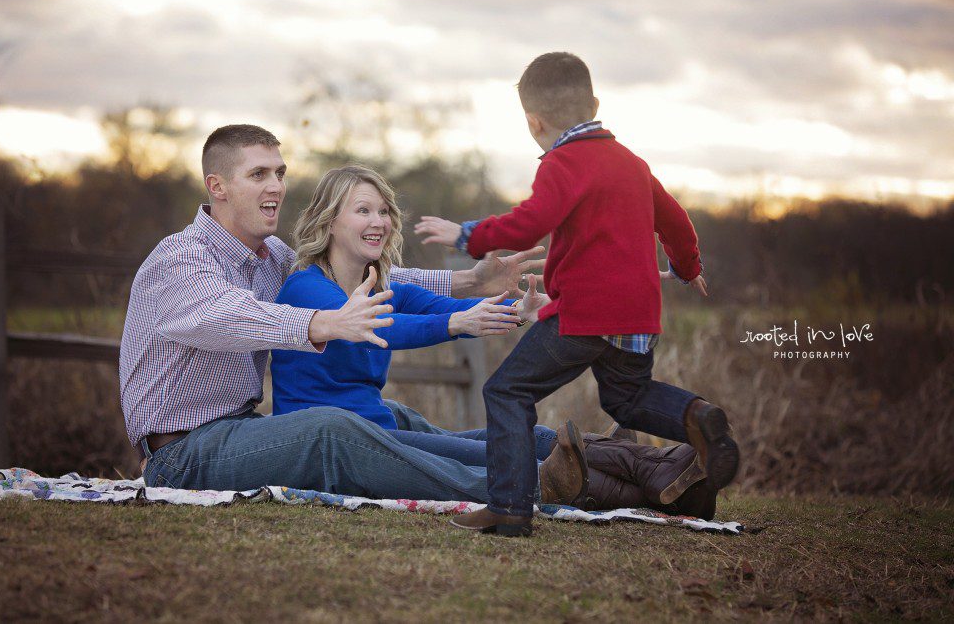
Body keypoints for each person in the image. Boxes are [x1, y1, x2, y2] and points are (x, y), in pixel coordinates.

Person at [120, 123, 548, 502]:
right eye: (258, 174)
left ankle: (576, 455)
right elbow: (226, 317)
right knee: (331, 428)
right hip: (182, 454)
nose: (276, 186)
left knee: (398, 418)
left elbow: (374, 277)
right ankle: (523, 488)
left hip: (241, 432)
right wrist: (324, 322)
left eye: (280, 173)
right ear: (218, 187)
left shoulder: (271, 259)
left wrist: (470, 283)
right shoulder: (180, 260)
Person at [416, 52, 740, 536]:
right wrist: (687, 267)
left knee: (508, 391)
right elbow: (674, 221)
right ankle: (696, 415)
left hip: (585, 313)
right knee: (628, 398)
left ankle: (509, 508)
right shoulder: (632, 163)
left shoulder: (563, 164)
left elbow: (531, 222)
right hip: (638, 314)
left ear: (533, 122)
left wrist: (468, 236)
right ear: (594, 102)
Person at [271, 163, 716, 514]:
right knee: (486, 459)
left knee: (514, 439)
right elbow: (377, 331)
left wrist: (516, 312)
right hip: (336, 446)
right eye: (363, 210)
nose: (379, 221)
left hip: (378, 429)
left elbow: (451, 309)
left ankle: (651, 469)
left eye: (384, 211)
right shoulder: (306, 288)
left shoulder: (385, 285)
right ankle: (650, 478)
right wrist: (456, 326)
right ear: (329, 222)